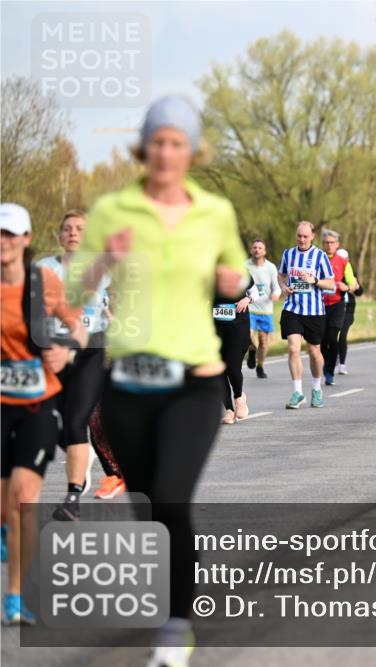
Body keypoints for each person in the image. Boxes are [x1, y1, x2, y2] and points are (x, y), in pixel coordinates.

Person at [72, 95, 247, 665]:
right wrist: (102, 261)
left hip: (194, 380)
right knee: (149, 503)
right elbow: (74, 290)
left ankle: (176, 626)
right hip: (128, 382)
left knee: (172, 495)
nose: (166, 152)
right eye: (157, 142)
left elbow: (237, 277)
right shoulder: (114, 208)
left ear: (192, 151)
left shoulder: (213, 211)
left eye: (177, 143)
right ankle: (175, 584)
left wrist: (230, 280)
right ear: (143, 150)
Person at [2, 203, 85, 625]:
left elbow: (78, 327)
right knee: (5, 507)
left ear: (26, 239)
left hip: (36, 403)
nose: (4, 241)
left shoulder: (44, 282)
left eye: (11, 234)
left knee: (22, 499)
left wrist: (65, 349)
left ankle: (15, 598)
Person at [35, 210, 110, 520]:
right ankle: (81, 453)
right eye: (67, 229)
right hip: (52, 352)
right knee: (54, 425)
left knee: (76, 419)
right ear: (60, 236)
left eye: (80, 229)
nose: (74, 233)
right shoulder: (42, 269)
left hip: (91, 351)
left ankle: (72, 497)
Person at [278, 221, 336, 409]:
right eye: (299, 236)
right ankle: (297, 392)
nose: (302, 239)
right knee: (294, 349)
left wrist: (315, 280)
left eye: (305, 236)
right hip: (292, 309)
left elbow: (331, 284)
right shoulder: (288, 254)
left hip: (314, 312)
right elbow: (281, 274)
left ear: (312, 236)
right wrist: (283, 286)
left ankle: (317, 388)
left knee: (314, 352)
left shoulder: (320, 256)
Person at [213, 274, 252, 424]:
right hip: (216, 328)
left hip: (238, 326)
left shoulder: (237, 269)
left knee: (233, 368)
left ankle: (239, 398)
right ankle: (229, 410)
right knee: (219, 369)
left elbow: (255, 291)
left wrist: (247, 299)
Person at [245, 239, 280, 378]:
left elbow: (276, 286)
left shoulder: (271, 267)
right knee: (247, 335)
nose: (257, 250)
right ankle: (252, 349)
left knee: (264, 341)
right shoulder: (244, 266)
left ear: (264, 251)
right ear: (251, 250)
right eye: (254, 247)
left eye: (260, 248)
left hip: (266, 309)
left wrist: (276, 294)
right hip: (250, 308)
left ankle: (260, 366)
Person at [319, 230, 350, 385]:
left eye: (332, 242)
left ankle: (329, 371)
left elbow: (353, 283)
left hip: (337, 305)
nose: (329, 245)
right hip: (320, 305)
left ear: (337, 244)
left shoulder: (343, 261)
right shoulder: (317, 258)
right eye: (326, 242)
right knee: (322, 341)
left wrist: (347, 286)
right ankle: (325, 364)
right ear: (323, 244)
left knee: (332, 338)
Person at [334, 248, 361, 375]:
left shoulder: (351, 273)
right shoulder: (331, 272)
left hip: (348, 309)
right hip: (334, 308)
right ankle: (334, 359)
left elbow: (360, 291)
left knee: (342, 335)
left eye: (345, 259)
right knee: (331, 337)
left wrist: (353, 287)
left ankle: (342, 363)